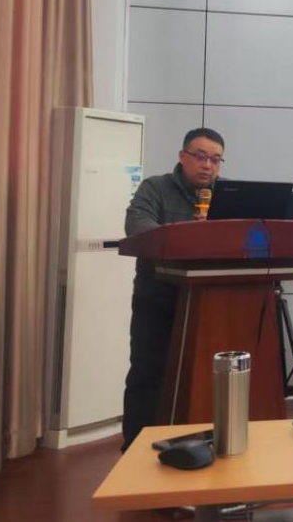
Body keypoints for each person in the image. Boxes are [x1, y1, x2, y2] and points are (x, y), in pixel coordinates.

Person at [121, 127, 225, 450]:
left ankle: (202, 444)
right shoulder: (156, 188)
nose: (208, 165)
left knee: (203, 378)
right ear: (183, 156)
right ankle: (135, 450)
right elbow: (138, 227)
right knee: (148, 375)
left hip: (210, 304)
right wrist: (189, 236)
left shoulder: (226, 195)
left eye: (216, 160)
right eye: (201, 156)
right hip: (158, 300)